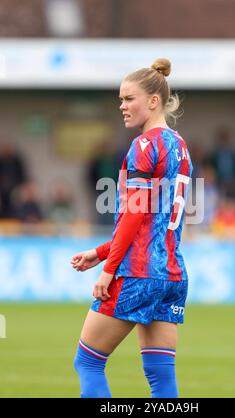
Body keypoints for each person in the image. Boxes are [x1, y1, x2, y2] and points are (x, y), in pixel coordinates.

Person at [70, 58, 193, 398]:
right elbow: (153, 223)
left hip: (137, 273)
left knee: (88, 362)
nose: (122, 106)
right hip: (171, 275)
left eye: (129, 99)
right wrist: (99, 252)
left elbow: (136, 215)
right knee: (161, 378)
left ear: (153, 101)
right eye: (120, 100)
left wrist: (109, 269)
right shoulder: (180, 146)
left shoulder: (144, 145)